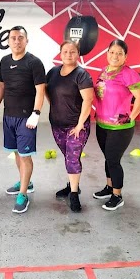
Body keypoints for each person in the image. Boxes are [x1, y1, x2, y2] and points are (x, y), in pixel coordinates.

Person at [0, 26, 46, 214]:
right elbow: (1, 86)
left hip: (26, 118)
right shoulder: (4, 61)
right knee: (16, 152)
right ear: (8, 41)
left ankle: (23, 194)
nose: (16, 41)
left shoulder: (34, 63)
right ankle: (26, 182)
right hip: (9, 116)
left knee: (25, 155)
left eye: (20, 37)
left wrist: (36, 113)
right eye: (13, 38)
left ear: (26, 41)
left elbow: (40, 90)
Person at [93, 39, 140, 211]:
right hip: (102, 124)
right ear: (107, 53)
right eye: (112, 52)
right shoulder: (104, 71)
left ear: (125, 56)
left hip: (120, 128)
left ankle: (117, 196)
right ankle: (109, 187)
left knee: (113, 160)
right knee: (108, 158)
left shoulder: (128, 74)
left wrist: (131, 117)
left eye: (119, 53)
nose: (115, 56)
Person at [46, 40, 94, 212]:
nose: (68, 54)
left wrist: (80, 124)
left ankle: (74, 194)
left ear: (78, 54)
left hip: (76, 126)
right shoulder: (52, 72)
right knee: (68, 157)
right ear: (60, 53)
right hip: (57, 124)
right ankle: (72, 185)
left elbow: (88, 100)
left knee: (72, 158)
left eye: (72, 51)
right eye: (65, 51)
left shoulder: (82, 75)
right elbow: (48, 92)